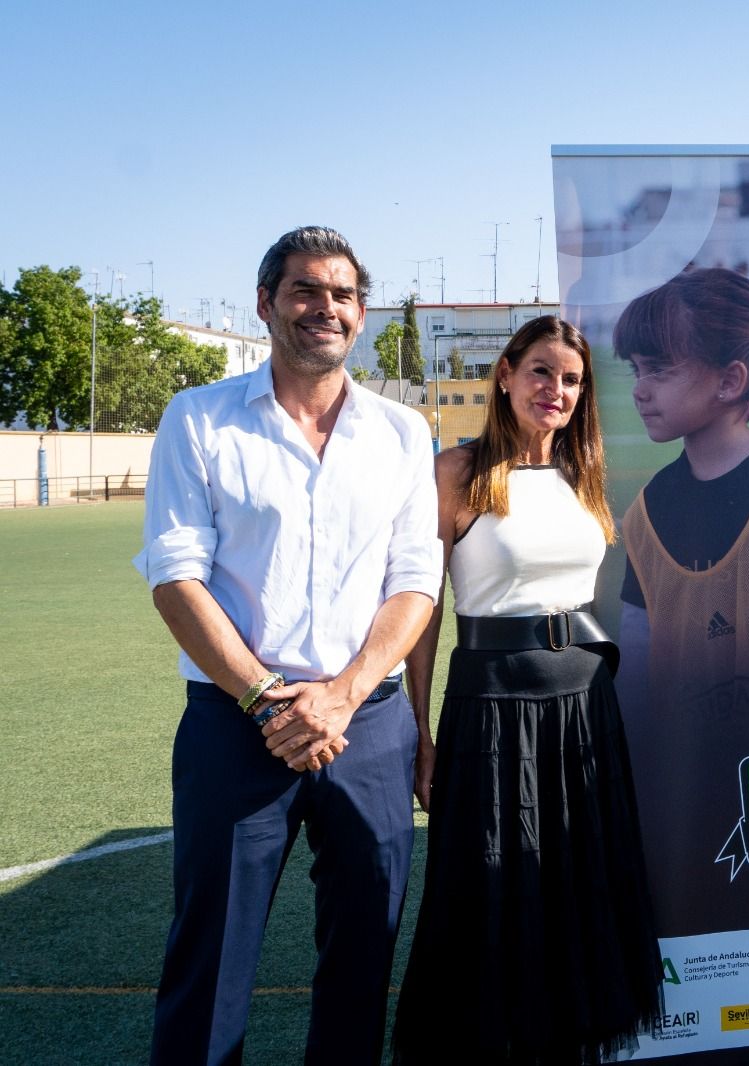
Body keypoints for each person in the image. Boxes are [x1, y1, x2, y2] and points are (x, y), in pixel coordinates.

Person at [135, 226, 442, 1065]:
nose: (325, 308)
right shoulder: (199, 418)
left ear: (363, 314)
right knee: (211, 963)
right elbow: (175, 577)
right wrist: (271, 699)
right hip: (238, 725)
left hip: (368, 727)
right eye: (306, 290)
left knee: (361, 960)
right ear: (266, 303)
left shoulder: (403, 434)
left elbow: (416, 581)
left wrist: (341, 694)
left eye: (342, 294)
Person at [391, 316, 662, 1063]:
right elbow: (423, 615)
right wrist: (422, 734)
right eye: (542, 371)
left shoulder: (586, 474)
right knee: (487, 893)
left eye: (571, 379)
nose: (557, 390)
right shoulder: (456, 473)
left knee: (576, 891)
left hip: (583, 707)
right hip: (490, 709)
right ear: (504, 375)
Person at [614, 267, 749, 721]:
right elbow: (636, 665)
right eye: (637, 369)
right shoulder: (647, 509)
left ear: (730, 382)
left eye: (657, 369)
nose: (640, 389)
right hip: (679, 780)